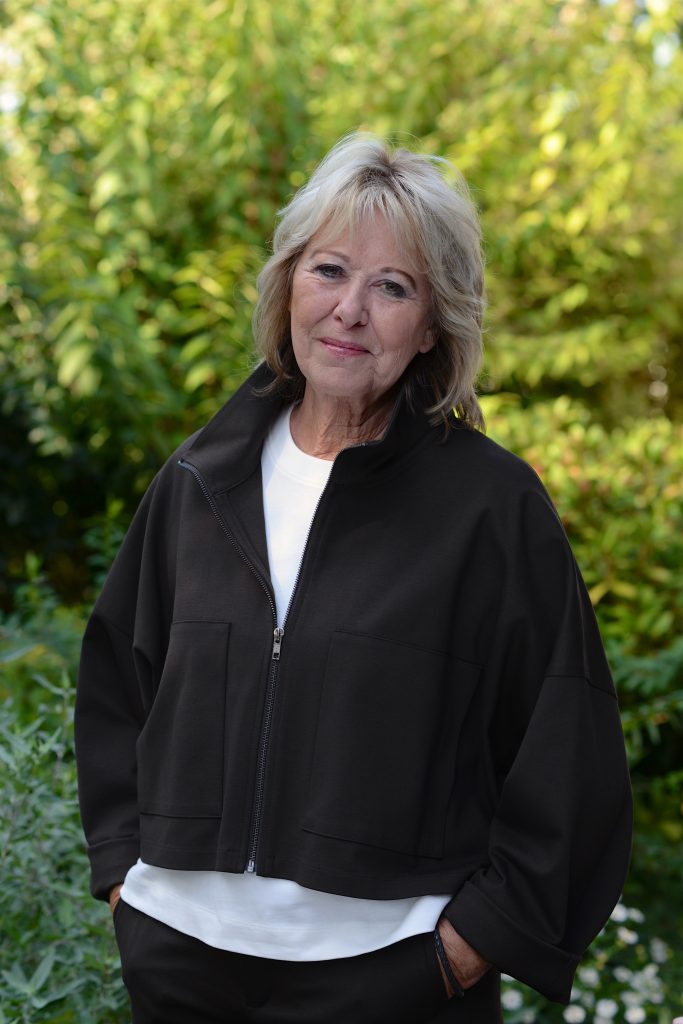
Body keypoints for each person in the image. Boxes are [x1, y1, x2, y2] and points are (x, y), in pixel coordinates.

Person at [75, 133, 632, 1023]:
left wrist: (466, 949)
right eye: (329, 271)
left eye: (393, 287)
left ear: (432, 327)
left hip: (390, 978)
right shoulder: (198, 482)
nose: (350, 310)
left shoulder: (490, 509)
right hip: (180, 965)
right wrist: (124, 884)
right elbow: (116, 688)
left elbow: (568, 746)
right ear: (288, 286)